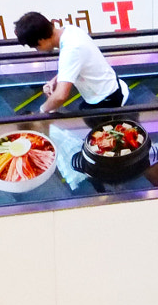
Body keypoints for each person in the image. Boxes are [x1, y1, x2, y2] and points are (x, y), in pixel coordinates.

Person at [15, 10, 128, 189]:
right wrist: (56, 80)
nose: (37, 51)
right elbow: (71, 65)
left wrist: (42, 112)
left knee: (91, 155)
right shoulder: (70, 32)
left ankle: (111, 184)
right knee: (79, 135)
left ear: (42, 40)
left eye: (35, 47)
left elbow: (60, 96)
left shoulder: (70, 49)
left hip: (107, 102)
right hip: (106, 91)